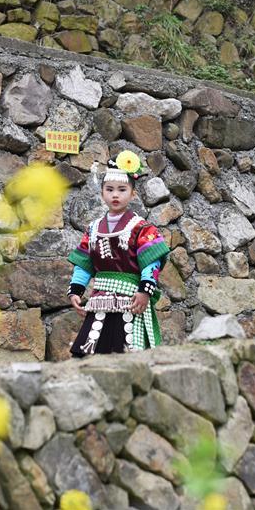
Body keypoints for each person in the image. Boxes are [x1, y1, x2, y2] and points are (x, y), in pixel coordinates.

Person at [66, 150, 170, 356]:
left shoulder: (142, 228)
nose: (115, 195)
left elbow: (151, 261)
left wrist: (145, 291)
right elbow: (85, 263)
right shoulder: (93, 228)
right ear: (102, 193)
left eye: (122, 189)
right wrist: (76, 291)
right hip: (99, 299)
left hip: (131, 299)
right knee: (92, 351)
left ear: (133, 194)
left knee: (127, 349)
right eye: (109, 189)